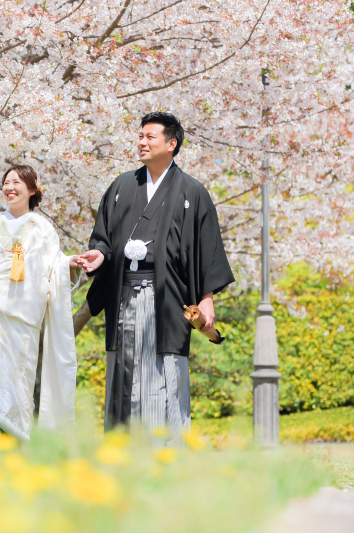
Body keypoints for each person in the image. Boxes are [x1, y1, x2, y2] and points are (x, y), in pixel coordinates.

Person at [78, 112, 235, 444]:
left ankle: (166, 454)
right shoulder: (121, 187)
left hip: (168, 299)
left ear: (171, 144)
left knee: (164, 374)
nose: (142, 142)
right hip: (123, 295)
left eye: (150, 137)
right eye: (140, 136)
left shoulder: (193, 192)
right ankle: (121, 453)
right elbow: (103, 237)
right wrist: (100, 254)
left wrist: (206, 298)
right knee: (123, 371)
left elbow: (207, 250)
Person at [0, 165, 81, 441]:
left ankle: (14, 439)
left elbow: (54, 266)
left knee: (16, 377)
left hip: (22, 316)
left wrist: (70, 263)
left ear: (32, 189)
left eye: (17, 182)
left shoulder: (43, 228)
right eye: (6, 182)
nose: (9, 186)